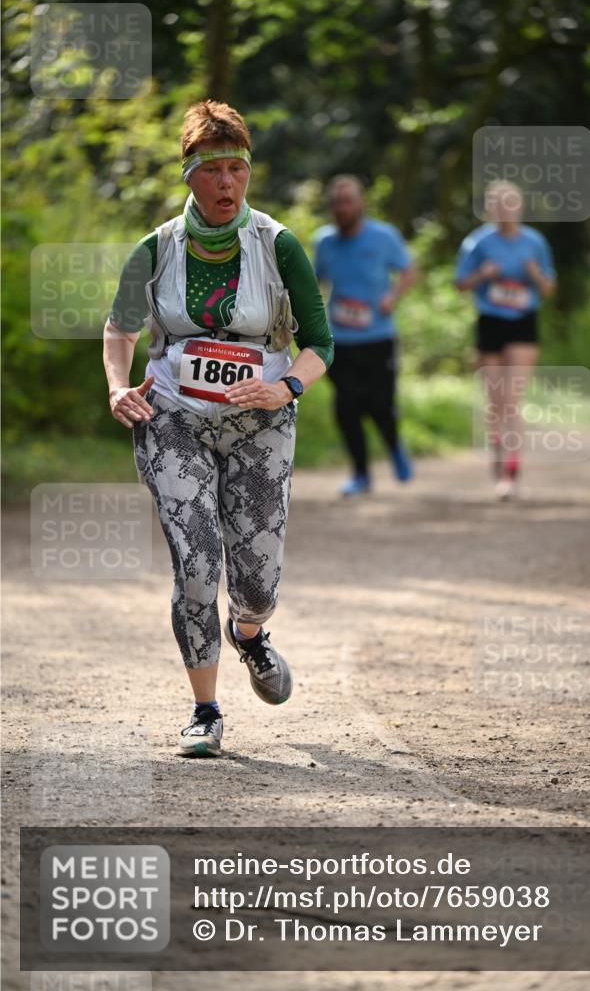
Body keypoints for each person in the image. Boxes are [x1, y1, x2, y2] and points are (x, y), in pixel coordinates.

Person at [102, 100, 333, 757]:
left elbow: (320, 343)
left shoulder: (278, 243)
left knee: (256, 581)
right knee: (197, 562)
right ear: (190, 176)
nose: (228, 183)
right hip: (173, 418)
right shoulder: (157, 247)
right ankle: (204, 710)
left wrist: (283, 386)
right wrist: (119, 386)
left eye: (238, 169)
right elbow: (119, 328)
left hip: (261, 422)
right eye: (214, 171)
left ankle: (251, 635)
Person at [314, 176, 417, 496]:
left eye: (348, 201)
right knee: (347, 407)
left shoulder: (384, 236)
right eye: (337, 202)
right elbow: (316, 284)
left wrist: (393, 297)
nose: (342, 208)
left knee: (380, 405)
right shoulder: (325, 242)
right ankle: (361, 474)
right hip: (340, 340)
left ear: (361, 203)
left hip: (378, 336)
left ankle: (394, 445)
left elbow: (409, 270)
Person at [455, 180, 556, 499]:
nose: (505, 209)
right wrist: (483, 274)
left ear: (520, 206)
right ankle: (499, 456)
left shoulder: (535, 242)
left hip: (523, 322)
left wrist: (534, 273)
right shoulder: (478, 242)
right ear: (490, 208)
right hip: (491, 322)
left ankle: (511, 473)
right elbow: (460, 283)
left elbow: (549, 287)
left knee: (512, 399)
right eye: (498, 204)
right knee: (495, 401)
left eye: (510, 203)